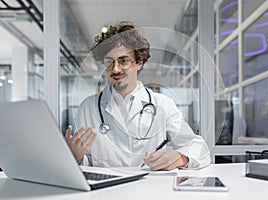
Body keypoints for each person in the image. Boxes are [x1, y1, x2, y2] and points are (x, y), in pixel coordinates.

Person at [64, 21, 211, 171]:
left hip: (147, 190)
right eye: (109, 62)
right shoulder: (88, 107)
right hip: (105, 192)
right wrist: (76, 157)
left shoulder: (162, 104)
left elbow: (199, 148)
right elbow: (89, 162)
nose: (116, 69)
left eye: (123, 61)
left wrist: (180, 158)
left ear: (139, 62)